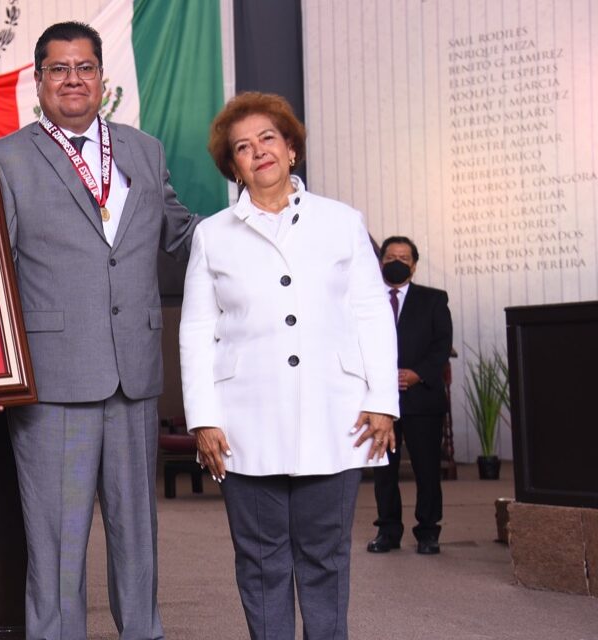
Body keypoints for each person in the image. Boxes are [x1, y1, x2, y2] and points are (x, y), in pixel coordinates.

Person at [0, 21, 199, 639]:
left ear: (102, 77)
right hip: (54, 380)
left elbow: (183, 233)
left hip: (135, 374)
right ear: (38, 80)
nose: (73, 80)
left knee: (138, 537)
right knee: (56, 542)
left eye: (85, 68)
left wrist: (264, 217)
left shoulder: (143, 150)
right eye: (59, 69)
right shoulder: (5, 158)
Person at [180, 92, 398, 640]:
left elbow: (372, 312)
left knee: (325, 560)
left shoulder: (342, 222)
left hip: (335, 415)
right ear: (233, 167)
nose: (259, 153)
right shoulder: (211, 235)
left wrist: (381, 402)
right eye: (243, 148)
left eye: (268, 139)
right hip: (243, 423)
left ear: (292, 148)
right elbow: (197, 331)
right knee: (260, 563)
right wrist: (203, 417)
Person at [370, 236, 453, 555]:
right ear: (380, 262)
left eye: (404, 258)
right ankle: (388, 531)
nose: (397, 262)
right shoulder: (368, 299)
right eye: (391, 256)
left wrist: (417, 373)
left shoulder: (433, 299)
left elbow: (442, 343)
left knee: (427, 468)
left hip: (421, 397)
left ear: (414, 265)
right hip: (379, 400)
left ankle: (428, 531)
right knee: (384, 470)